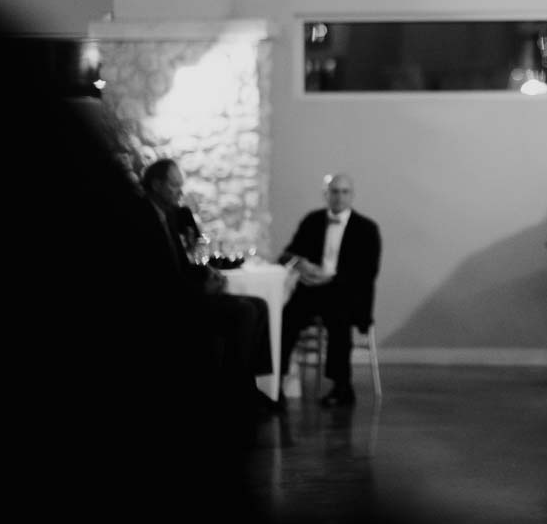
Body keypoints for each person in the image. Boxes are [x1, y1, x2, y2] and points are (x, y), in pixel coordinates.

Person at [141, 158, 277, 419]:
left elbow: (181, 264)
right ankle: (234, 393)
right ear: (157, 185)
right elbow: (156, 276)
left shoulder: (169, 216)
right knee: (244, 311)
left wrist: (206, 272)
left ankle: (247, 386)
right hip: (169, 303)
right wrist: (202, 287)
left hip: (185, 294)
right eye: (174, 185)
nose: (180, 192)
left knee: (259, 305)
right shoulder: (143, 217)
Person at [277, 173, 382, 407]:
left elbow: (367, 272)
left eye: (344, 192)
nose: (339, 197)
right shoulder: (312, 221)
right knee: (286, 317)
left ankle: (342, 387)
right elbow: (286, 254)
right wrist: (301, 264)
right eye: (334, 191)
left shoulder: (366, 229)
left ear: (352, 195)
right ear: (326, 195)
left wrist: (330, 279)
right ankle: (277, 381)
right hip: (311, 290)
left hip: (345, 292)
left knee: (339, 319)